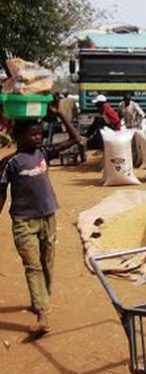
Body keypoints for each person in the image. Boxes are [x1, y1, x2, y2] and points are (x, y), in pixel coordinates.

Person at [0, 103, 81, 334]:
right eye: (32, 134)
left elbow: (76, 141)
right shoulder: (9, 164)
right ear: (18, 136)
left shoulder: (43, 153)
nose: (37, 138)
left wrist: (61, 115)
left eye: (39, 134)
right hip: (24, 222)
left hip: (48, 217)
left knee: (47, 263)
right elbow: (1, 195)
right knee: (32, 265)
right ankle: (42, 312)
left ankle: (40, 300)